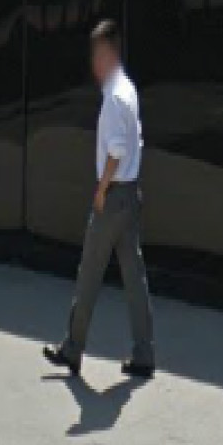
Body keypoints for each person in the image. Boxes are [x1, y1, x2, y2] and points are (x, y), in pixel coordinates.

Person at [46, 19, 157, 381]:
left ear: (107, 53)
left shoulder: (113, 98)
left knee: (90, 272)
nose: (93, 62)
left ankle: (72, 349)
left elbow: (116, 150)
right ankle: (144, 353)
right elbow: (135, 143)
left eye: (96, 54)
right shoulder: (129, 89)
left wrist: (100, 189)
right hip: (131, 195)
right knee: (134, 275)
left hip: (112, 196)